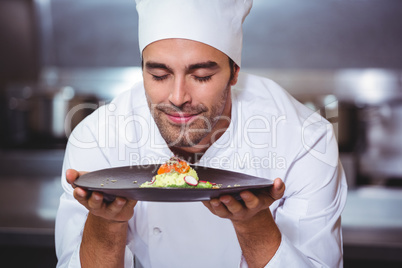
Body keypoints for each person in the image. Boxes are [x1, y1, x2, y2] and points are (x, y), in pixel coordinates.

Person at [55, 0, 347, 267]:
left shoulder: (304, 139)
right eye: (159, 75)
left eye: (201, 76)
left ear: (234, 72)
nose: (178, 96)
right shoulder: (98, 137)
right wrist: (105, 223)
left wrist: (253, 223)